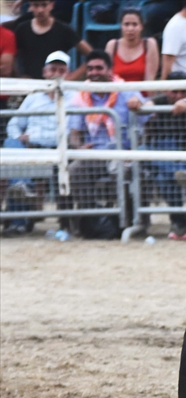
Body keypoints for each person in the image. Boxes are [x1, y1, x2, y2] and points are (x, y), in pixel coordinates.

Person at [66, 51, 143, 231]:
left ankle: (126, 221)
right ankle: (92, 218)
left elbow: (149, 112)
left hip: (124, 154)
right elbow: (74, 133)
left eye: (99, 68)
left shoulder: (126, 91)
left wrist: (136, 148)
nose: (94, 73)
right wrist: (79, 147)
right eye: (90, 69)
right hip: (96, 154)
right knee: (75, 169)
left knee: (120, 171)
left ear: (110, 70)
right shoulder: (80, 97)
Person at [3, 51, 73, 235]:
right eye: (52, 69)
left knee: (19, 158)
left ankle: (23, 204)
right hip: (32, 150)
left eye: (61, 69)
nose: (56, 73)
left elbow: (73, 131)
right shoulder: (33, 97)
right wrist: (19, 137)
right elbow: (14, 124)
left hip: (61, 150)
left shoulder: (76, 98)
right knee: (12, 144)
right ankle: (18, 214)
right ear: (44, 72)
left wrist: (34, 138)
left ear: (68, 73)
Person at [142, 70, 186, 240]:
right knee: (142, 151)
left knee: (163, 178)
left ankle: (180, 224)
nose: (178, 95)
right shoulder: (160, 100)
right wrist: (138, 104)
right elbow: (146, 106)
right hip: (167, 156)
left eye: (183, 91)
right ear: (166, 90)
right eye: (174, 91)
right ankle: (176, 173)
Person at [13, 0, 90, 79]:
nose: (40, 10)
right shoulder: (22, 29)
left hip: (55, 84)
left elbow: (91, 55)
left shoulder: (63, 30)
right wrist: (20, 76)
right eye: (36, 5)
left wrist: (72, 77)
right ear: (31, 6)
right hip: (29, 85)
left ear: (51, 5)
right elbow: (12, 55)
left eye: (44, 5)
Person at [105, 8, 159, 83]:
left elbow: (150, 80)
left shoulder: (149, 44)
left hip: (142, 94)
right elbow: (108, 78)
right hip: (118, 93)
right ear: (121, 26)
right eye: (126, 24)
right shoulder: (112, 45)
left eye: (135, 24)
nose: (130, 28)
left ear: (142, 26)